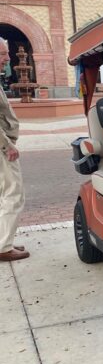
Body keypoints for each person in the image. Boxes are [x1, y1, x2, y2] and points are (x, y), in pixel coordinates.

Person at [0, 38, 28, 261]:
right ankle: (4, 247)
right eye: (3, 54)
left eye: (7, 54)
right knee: (13, 194)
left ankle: (4, 240)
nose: (7, 59)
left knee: (4, 194)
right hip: (2, 148)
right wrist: (7, 145)